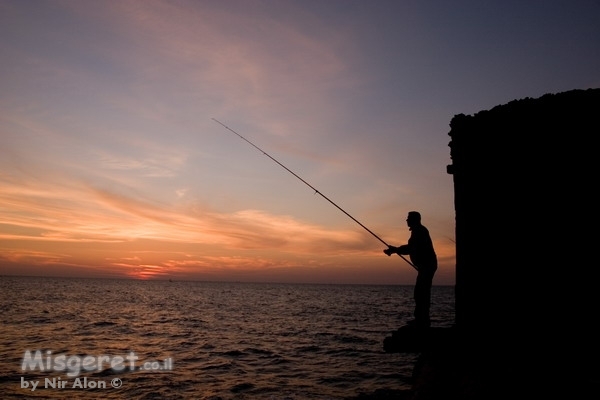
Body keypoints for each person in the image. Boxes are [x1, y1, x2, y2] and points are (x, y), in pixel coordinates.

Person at [384, 211, 437, 328]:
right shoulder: (418, 231)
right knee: (421, 293)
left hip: (427, 266)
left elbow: (411, 248)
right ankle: (422, 320)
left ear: (414, 220)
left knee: (421, 293)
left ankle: (422, 321)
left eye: (408, 218)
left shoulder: (419, 231)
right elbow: (411, 248)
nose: (406, 220)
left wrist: (395, 250)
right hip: (425, 266)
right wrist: (395, 250)